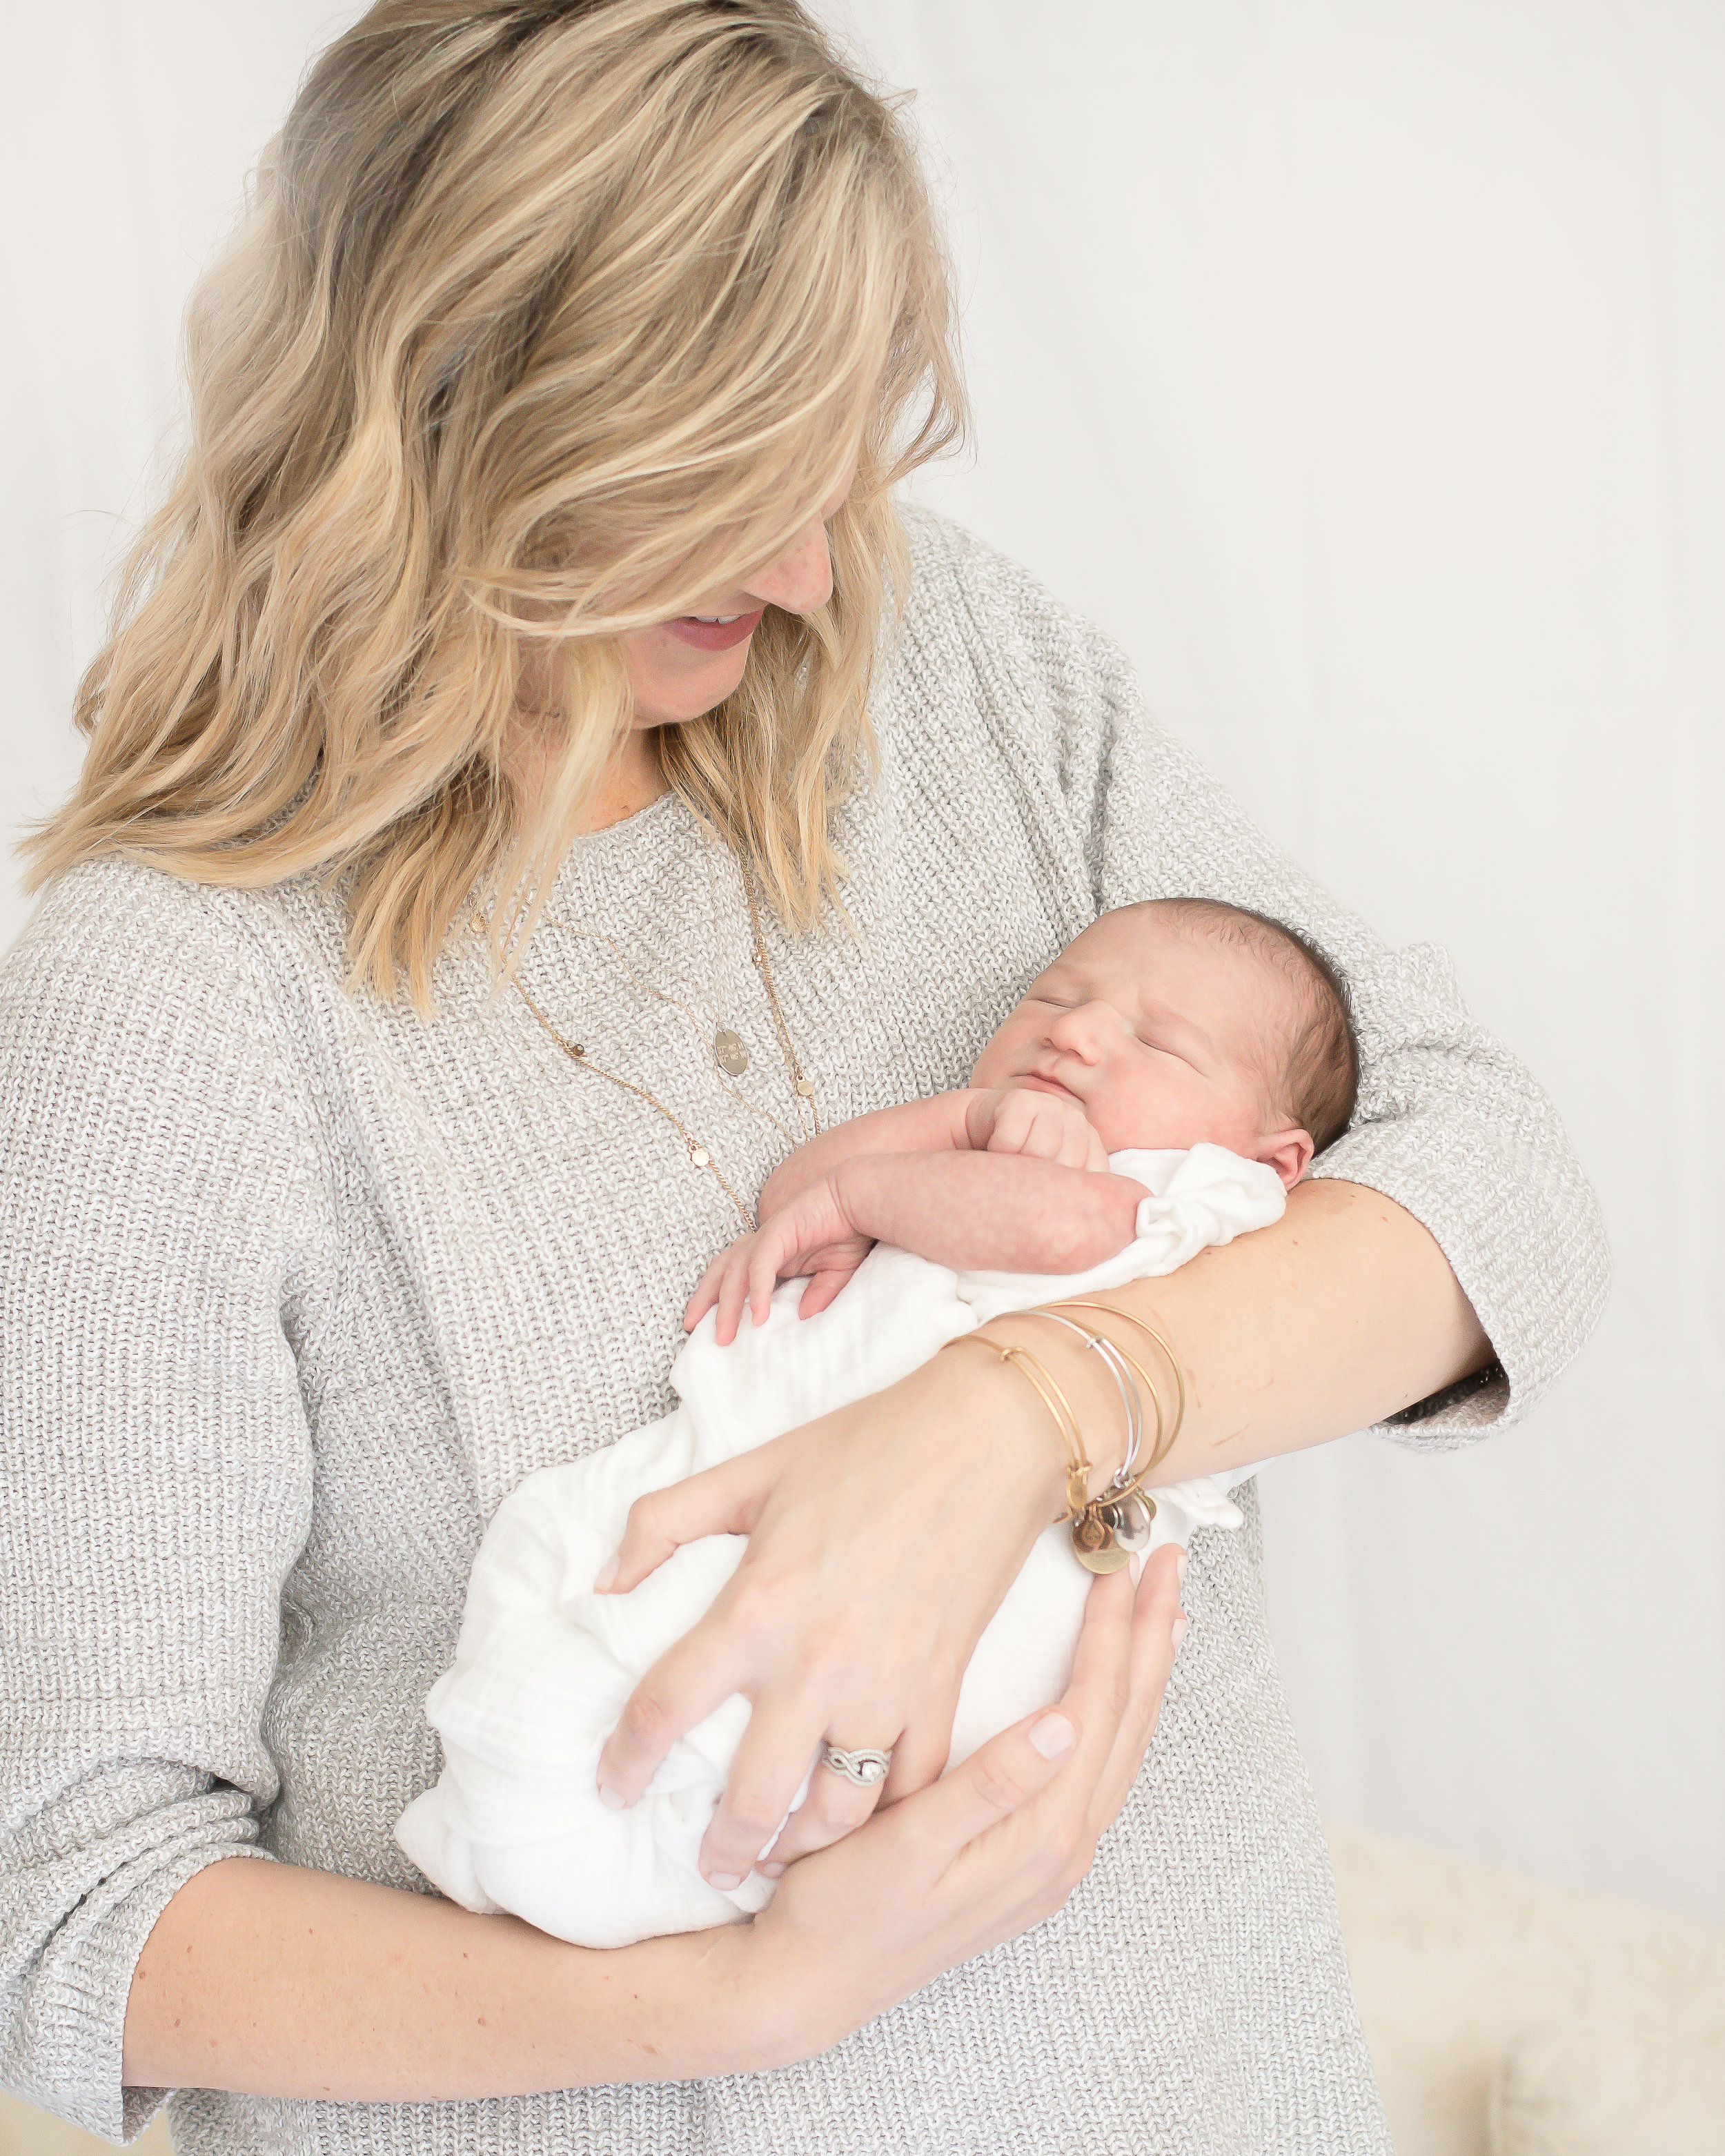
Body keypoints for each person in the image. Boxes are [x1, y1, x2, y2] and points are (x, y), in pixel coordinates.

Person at [0, 4, 1607, 2153]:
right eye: (714, 483)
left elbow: (1498, 1190)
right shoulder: (172, 997)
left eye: (831, 462)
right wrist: (747, 1995)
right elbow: (76, 1922)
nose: (808, 572)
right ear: (453, 405)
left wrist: (1015, 1411)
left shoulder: (950, 672)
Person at [395, 895, 1359, 1951]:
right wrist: (952, 1132)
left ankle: (603, 1825)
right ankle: (543, 1795)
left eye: (1156, 1042)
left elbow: (1057, 1226)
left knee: (741, 1701)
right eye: (1058, 999)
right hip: (775, 1479)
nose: (1075, 1034)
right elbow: (801, 1195)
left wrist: (922, 1183)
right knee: (561, 1538)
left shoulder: (1188, 1207)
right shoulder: (983, 1146)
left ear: (1274, 1163)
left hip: (961, 1583)